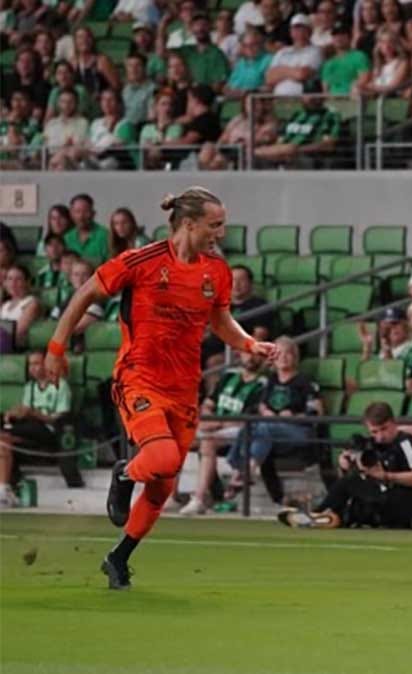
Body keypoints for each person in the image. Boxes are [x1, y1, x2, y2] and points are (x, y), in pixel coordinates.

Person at [43, 188, 275, 590]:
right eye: (214, 225)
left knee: (163, 485)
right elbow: (85, 294)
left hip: (184, 387)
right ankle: (123, 473)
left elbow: (220, 321)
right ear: (189, 223)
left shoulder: (215, 271)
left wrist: (249, 344)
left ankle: (118, 557)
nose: (220, 232)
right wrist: (56, 348)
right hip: (139, 377)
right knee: (163, 458)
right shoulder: (141, 261)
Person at [280, 402, 412, 530]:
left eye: (384, 429)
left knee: (350, 483)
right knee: (356, 505)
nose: (380, 436)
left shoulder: (405, 443)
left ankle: (316, 513)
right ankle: (332, 518)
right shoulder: (373, 446)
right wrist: (346, 466)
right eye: (375, 432)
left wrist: (386, 476)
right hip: (390, 500)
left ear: (393, 423)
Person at [226, 336, 321, 504]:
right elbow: (261, 404)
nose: (283, 358)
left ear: (295, 357)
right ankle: (237, 470)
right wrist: (266, 411)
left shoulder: (305, 382)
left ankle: (247, 472)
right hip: (272, 434)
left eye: (288, 354)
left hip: (298, 432)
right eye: (278, 354)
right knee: (249, 427)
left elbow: (317, 411)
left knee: (264, 429)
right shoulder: (271, 380)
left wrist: (294, 417)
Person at [178, 348, 267, 516]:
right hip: (216, 426)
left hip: (239, 431)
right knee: (178, 440)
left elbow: (248, 419)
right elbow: (208, 404)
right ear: (240, 354)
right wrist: (207, 419)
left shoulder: (262, 384)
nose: (251, 357)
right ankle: (170, 496)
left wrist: (215, 423)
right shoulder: (228, 376)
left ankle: (198, 498)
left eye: (256, 354)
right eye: (248, 352)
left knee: (208, 443)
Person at [0, 352, 74, 505]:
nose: (33, 368)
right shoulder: (30, 387)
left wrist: (33, 413)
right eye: (30, 365)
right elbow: (25, 411)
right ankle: (6, 488)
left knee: (9, 434)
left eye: (36, 364)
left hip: (49, 431)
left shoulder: (61, 386)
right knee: (4, 442)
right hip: (30, 429)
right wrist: (14, 413)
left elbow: (58, 419)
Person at [266, 14, 324, 95]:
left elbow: (302, 74)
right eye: (295, 28)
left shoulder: (315, 51)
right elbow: (269, 78)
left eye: (302, 28)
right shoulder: (282, 52)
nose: (299, 32)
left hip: (302, 98)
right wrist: (293, 71)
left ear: (310, 31)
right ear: (290, 32)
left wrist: (280, 71)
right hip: (279, 98)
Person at [1, 266, 41, 349]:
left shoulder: (32, 303)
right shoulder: (5, 305)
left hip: (14, 346)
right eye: (10, 279)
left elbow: (18, 332)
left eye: (18, 279)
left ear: (27, 282)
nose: (13, 283)